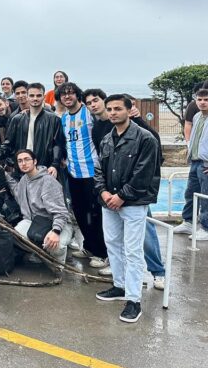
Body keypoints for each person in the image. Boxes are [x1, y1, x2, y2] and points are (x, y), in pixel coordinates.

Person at [94, 95, 159, 323]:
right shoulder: (106, 139)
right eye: (110, 109)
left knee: (133, 251)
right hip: (108, 202)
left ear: (129, 110)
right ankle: (119, 286)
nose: (112, 113)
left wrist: (121, 196)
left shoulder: (145, 138)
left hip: (132, 203)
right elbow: (99, 169)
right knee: (113, 243)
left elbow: (144, 174)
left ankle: (133, 300)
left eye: (118, 109)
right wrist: (103, 192)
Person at [57, 83, 107, 270]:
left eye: (70, 93)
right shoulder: (63, 118)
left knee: (95, 215)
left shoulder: (89, 113)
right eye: (63, 95)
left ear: (77, 95)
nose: (67, 97)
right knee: (79, 213)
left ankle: (102, 253)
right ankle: (88, 247)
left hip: (93, 172)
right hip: (73, 172)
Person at [6, 149, 73, 263]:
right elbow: (17, 193)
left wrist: (56, 232)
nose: (23, 163)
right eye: (20, 161)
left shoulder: (48, 181)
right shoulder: (24, 180)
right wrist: (6, 175)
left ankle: (58, 266)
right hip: (34, 222)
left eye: (27, 159)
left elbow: (61, 212)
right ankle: (39, 253)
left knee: (54, 245)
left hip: (55, 223)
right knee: (13, 236)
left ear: (35, 161)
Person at [0, 83, 64, 177]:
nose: (35, 98)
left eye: (38, 95)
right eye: (32, 95)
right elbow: (8, 144)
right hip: (22, 168)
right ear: (27, 96)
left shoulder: (54, 119)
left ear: (44, 97)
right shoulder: (17, 119)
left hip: (44, 168)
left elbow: (58, 145)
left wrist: (54, 165)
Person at [174, 88, 208, 240]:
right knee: (190, 192)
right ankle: (188, 222)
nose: (202, 102)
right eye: (199, 99)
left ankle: (206, 228)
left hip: (206, 163)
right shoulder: (197, 117)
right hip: (195, 161)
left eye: (206, 99)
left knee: (205, 196)